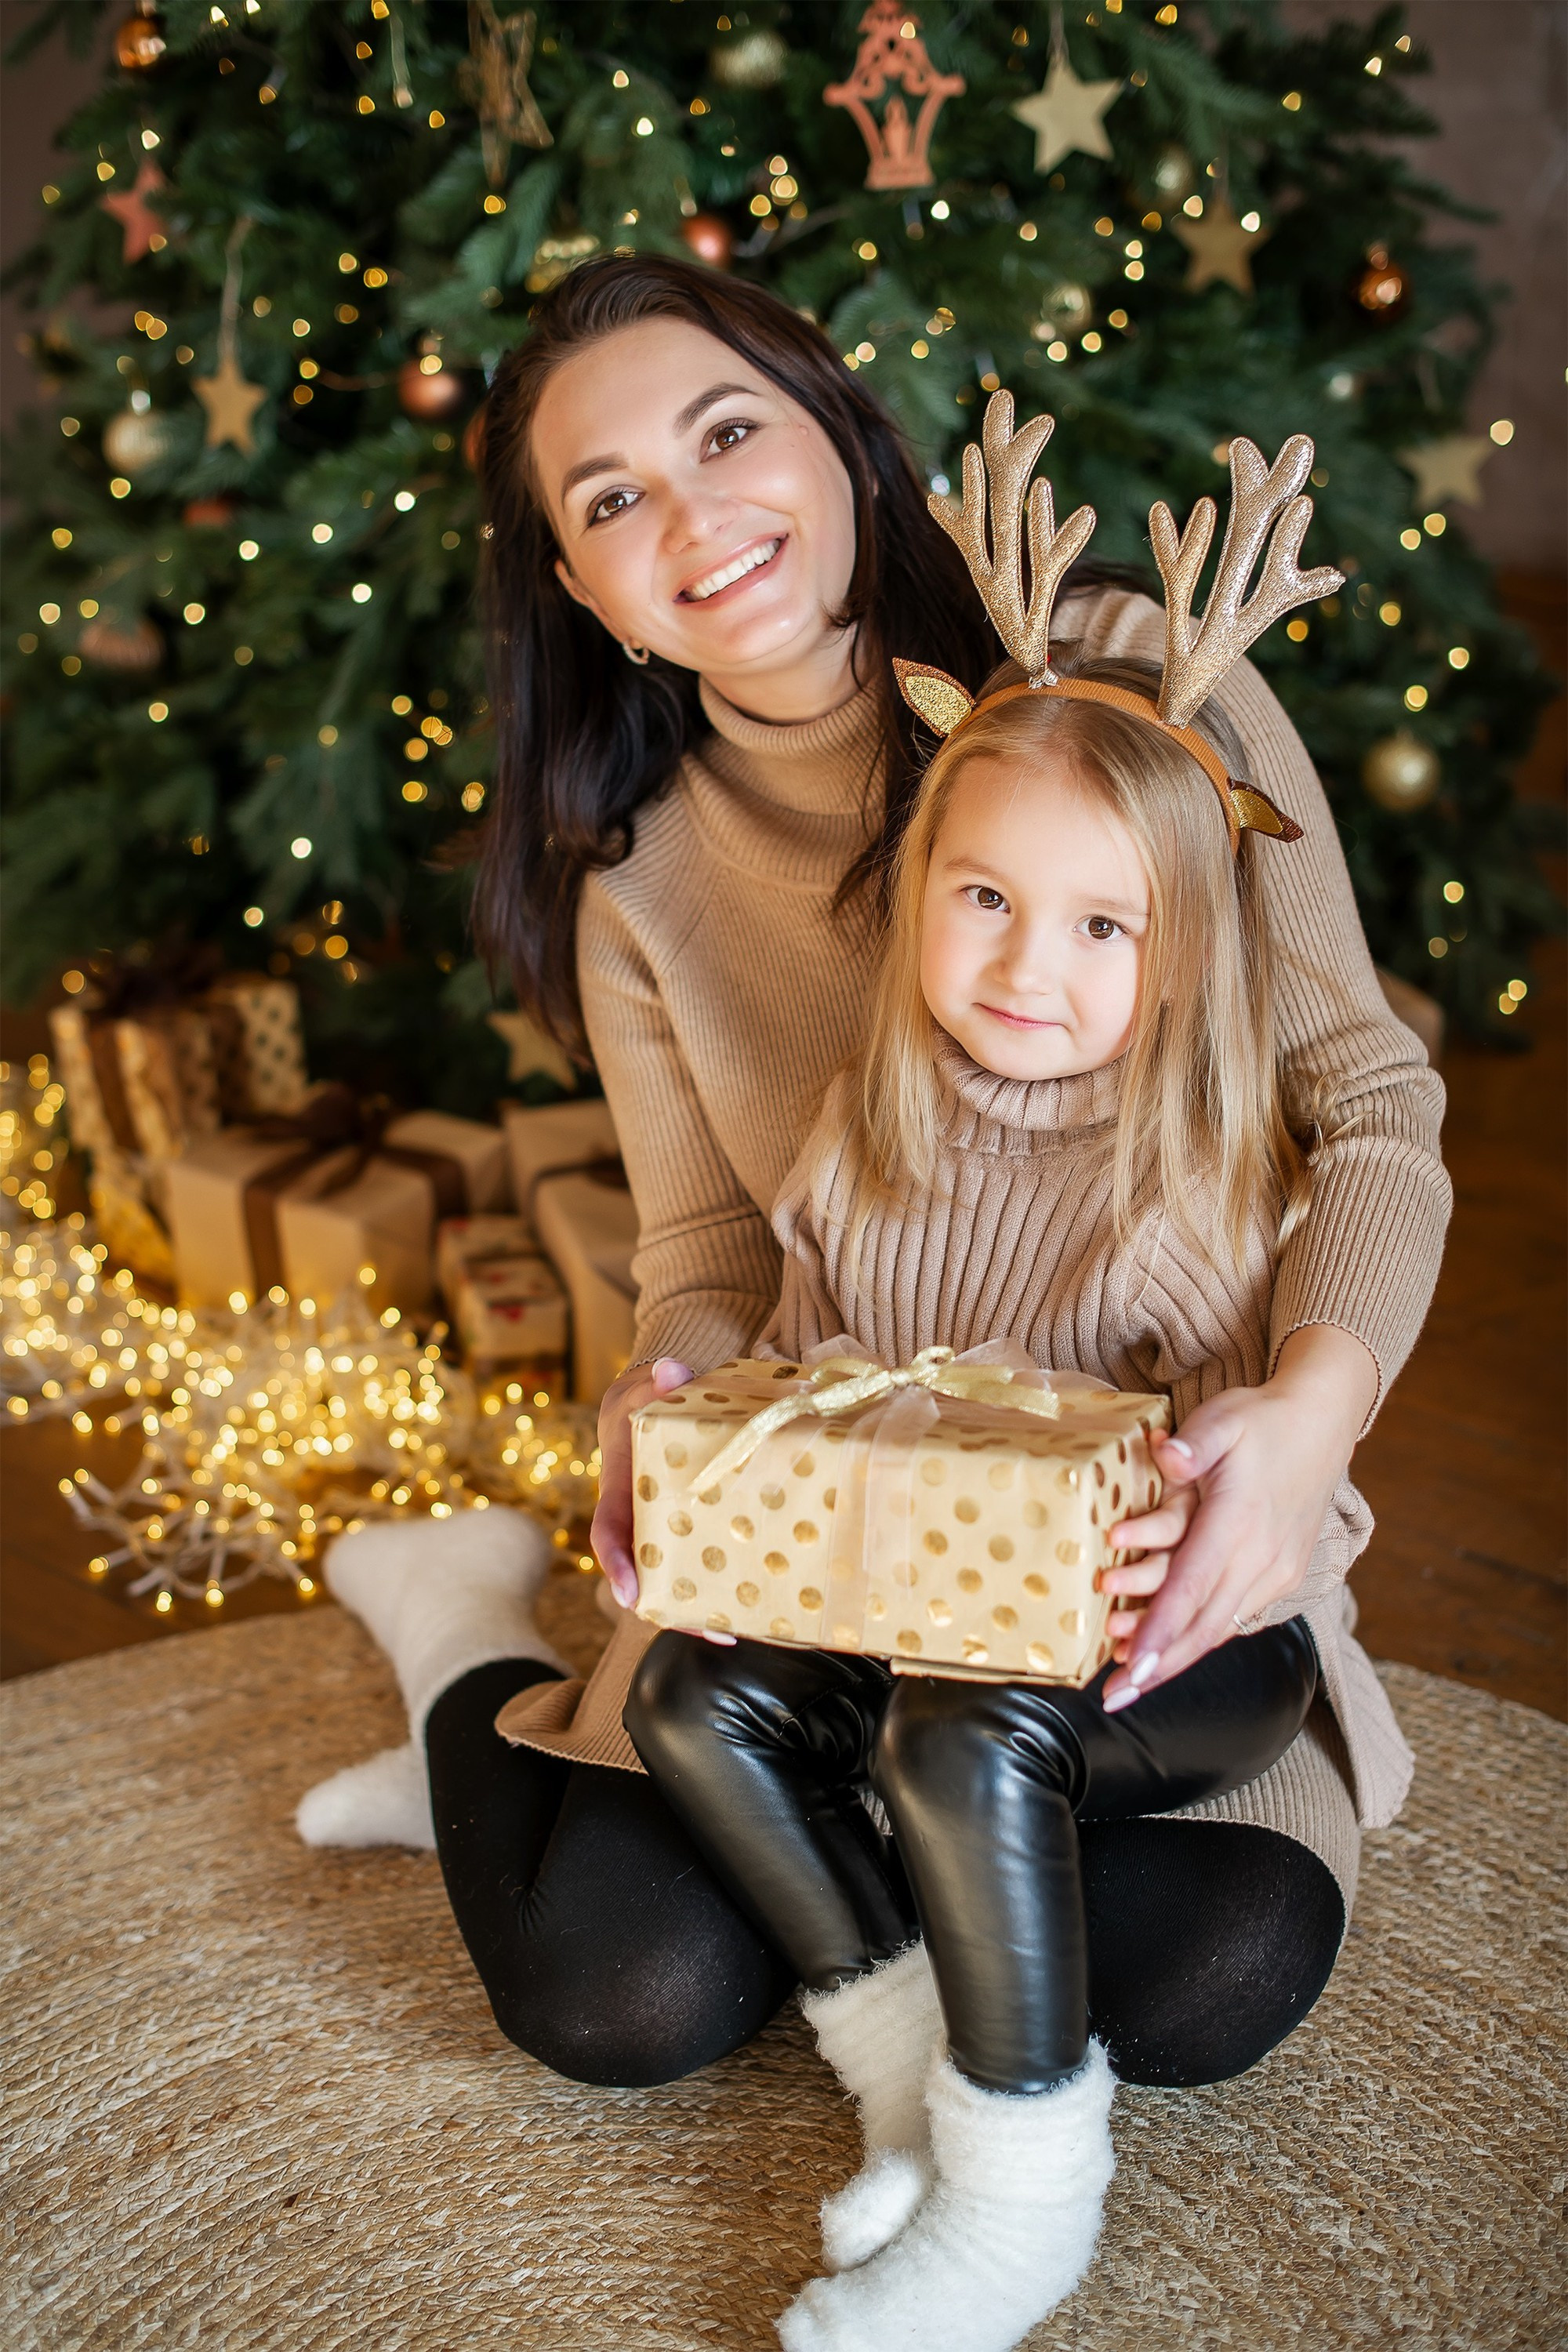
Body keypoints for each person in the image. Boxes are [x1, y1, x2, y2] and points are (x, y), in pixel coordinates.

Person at [300, 257, 1449, 2111]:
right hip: (814, 1574)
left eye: (726, 429)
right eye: (611, 501)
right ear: (586, 594)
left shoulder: (1144, 688)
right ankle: (459, 1641)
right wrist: (664, 1388)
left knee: (1194, 1985)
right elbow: (704, 1255)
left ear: (839, 430)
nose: (691, 514)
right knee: (615, 2002)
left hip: (1113, 1580)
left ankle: (860, 1856)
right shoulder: (642, 884)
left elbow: (1368, 1106)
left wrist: (1315, 1413)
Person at [617, 401, 1422, 2352]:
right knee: (688, 1702)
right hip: (911, 1606)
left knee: (962, 1744)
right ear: (916, 894)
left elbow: (1205, 1502)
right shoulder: (862, 1134)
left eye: (1096, 927)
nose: (1024, 966)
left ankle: (1022, 2199)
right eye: (982, 899)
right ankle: (917, 2081)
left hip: (1168, 1640)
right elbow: (800, 1364)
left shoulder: (1176, 1193)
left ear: (1176, 955)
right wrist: (711, 1437)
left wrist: (1207, 1497)